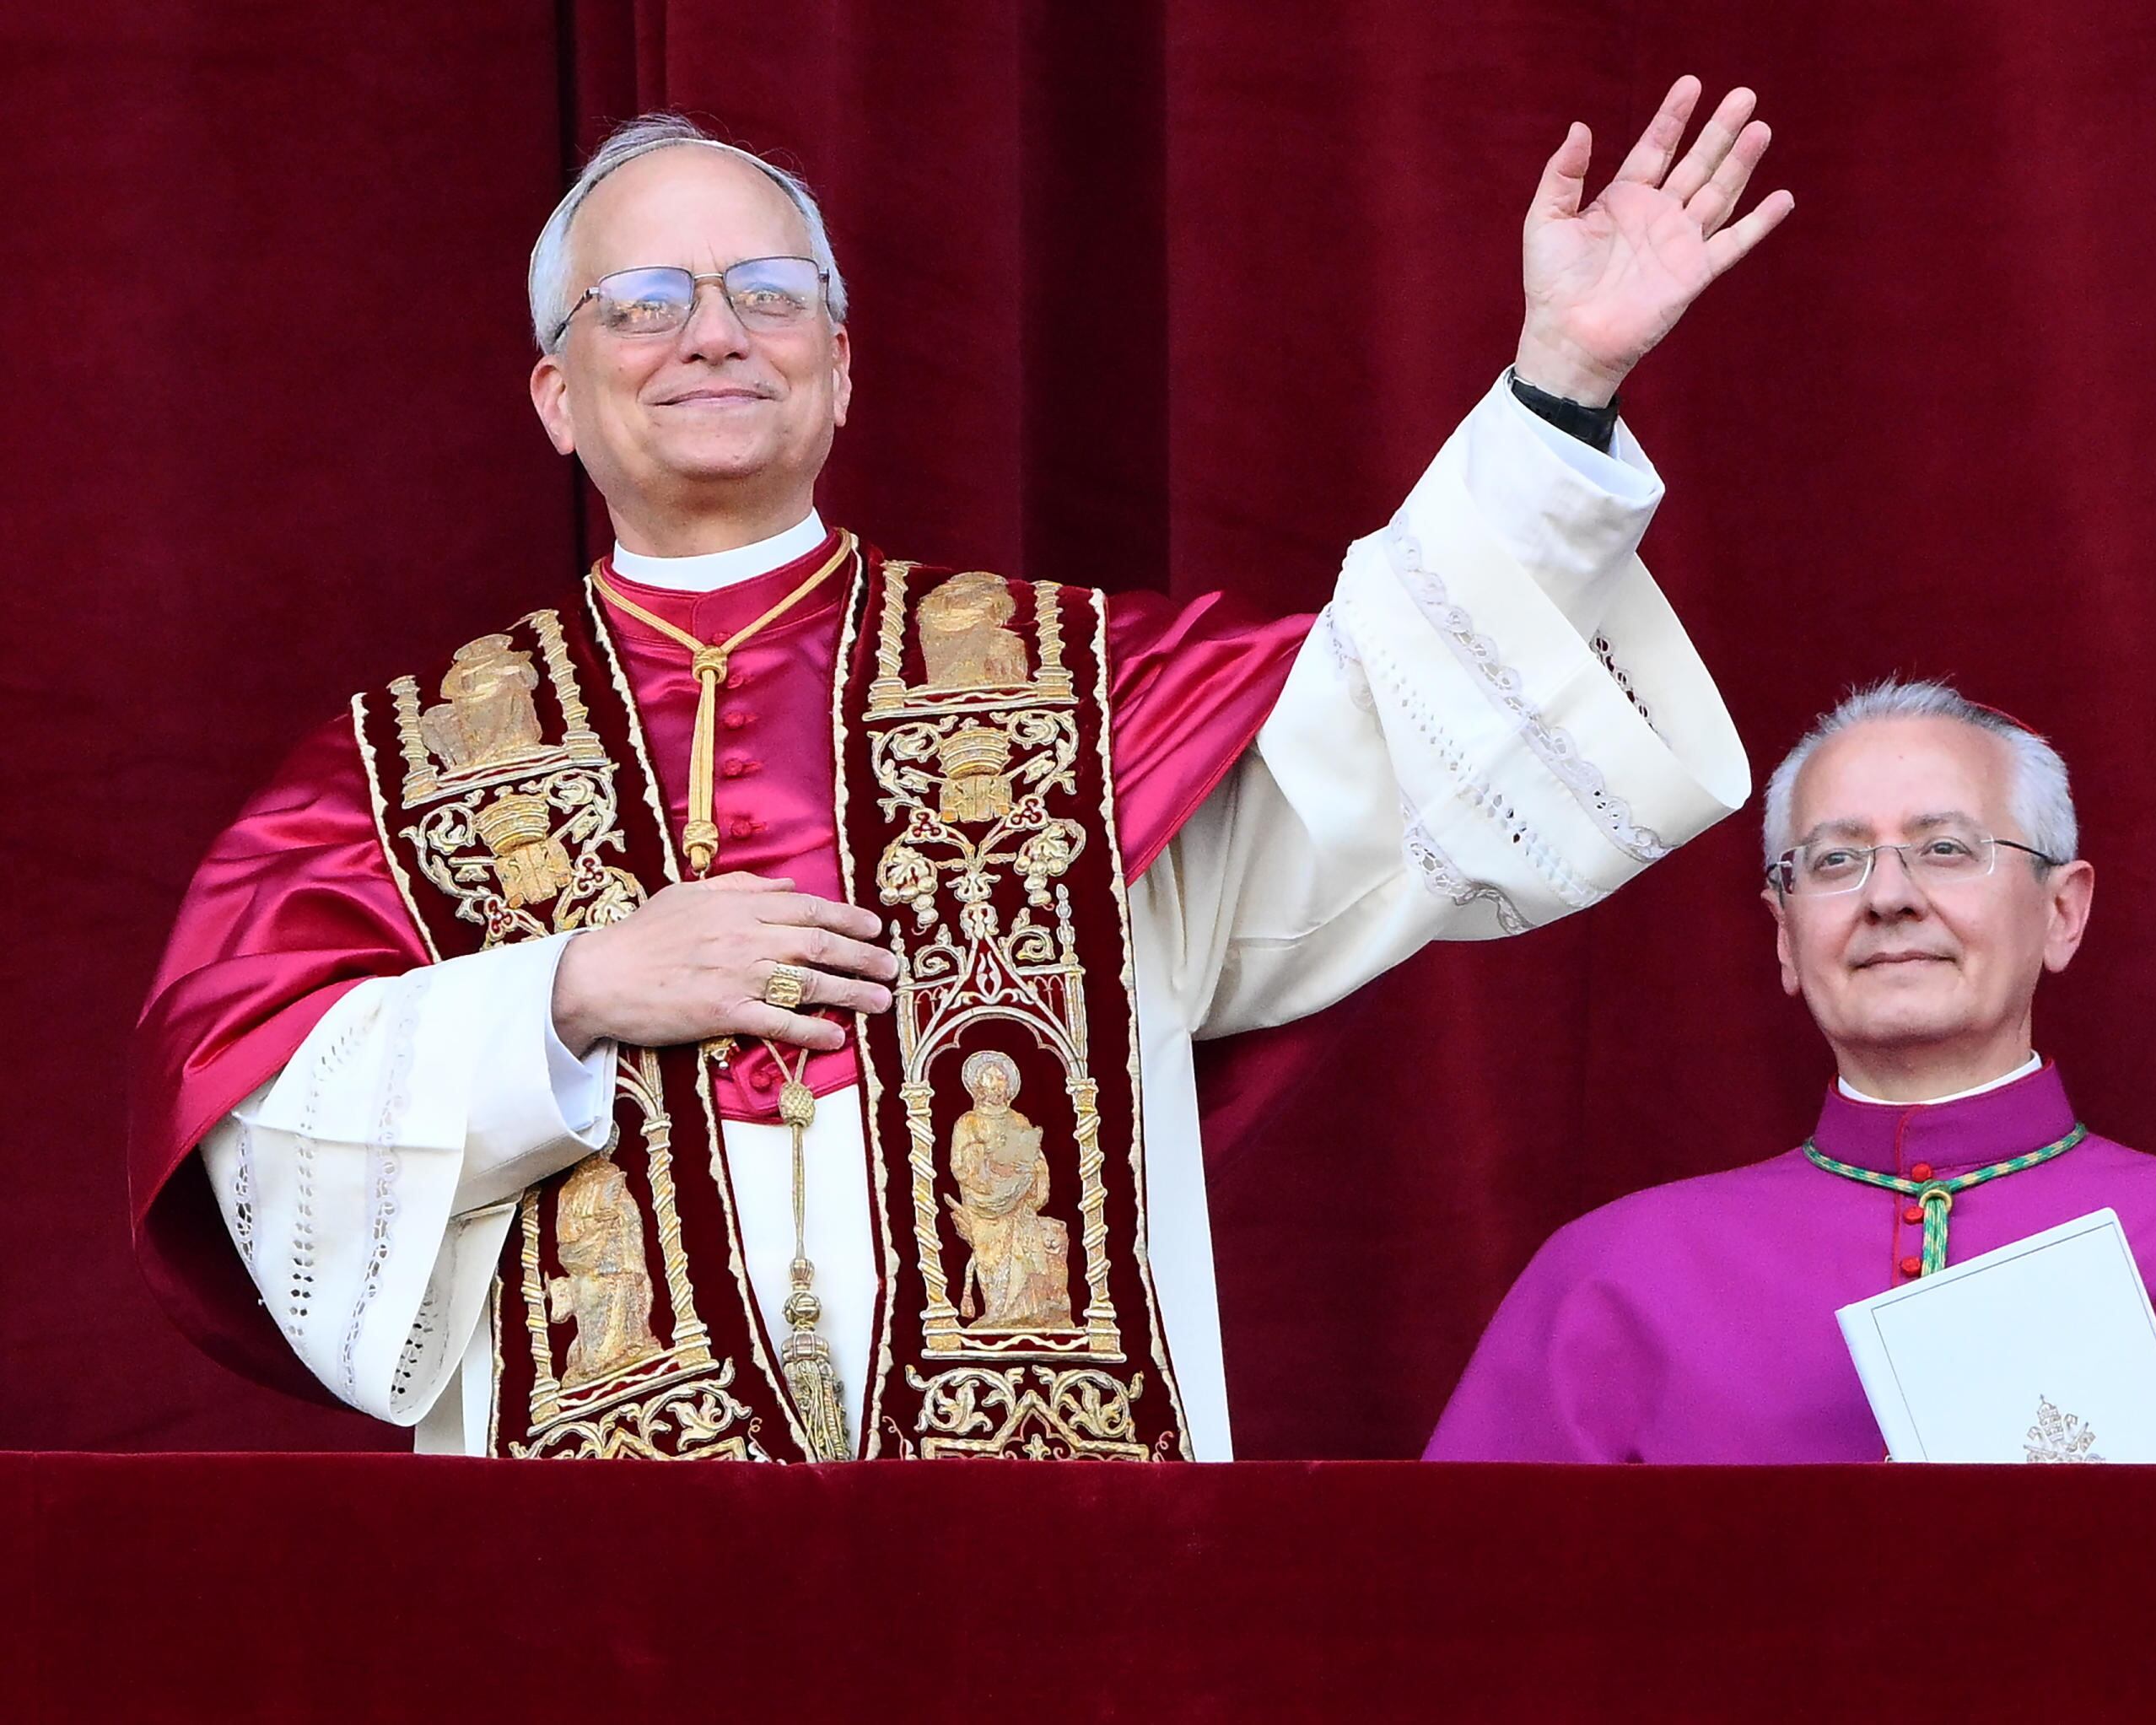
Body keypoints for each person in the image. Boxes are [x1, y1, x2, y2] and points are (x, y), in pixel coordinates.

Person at [131, 78, 1792, 1463]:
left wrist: (1560, 385)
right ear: (558, 398)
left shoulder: (1081, 689)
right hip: (607, 1588)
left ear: (845, 368)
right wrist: (563, 988)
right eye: (644, 303)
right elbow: (255, 1100)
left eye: (770, 293)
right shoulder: (396, 767)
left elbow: (1388, 723)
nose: (714, 333)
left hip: (1050, 1549)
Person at [1426, 679, 2156, 1465]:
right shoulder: (1614, 1277)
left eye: (1947, 848)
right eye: (1834, 860)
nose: (1889, 897)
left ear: (2063, 910)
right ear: (1785, 939)